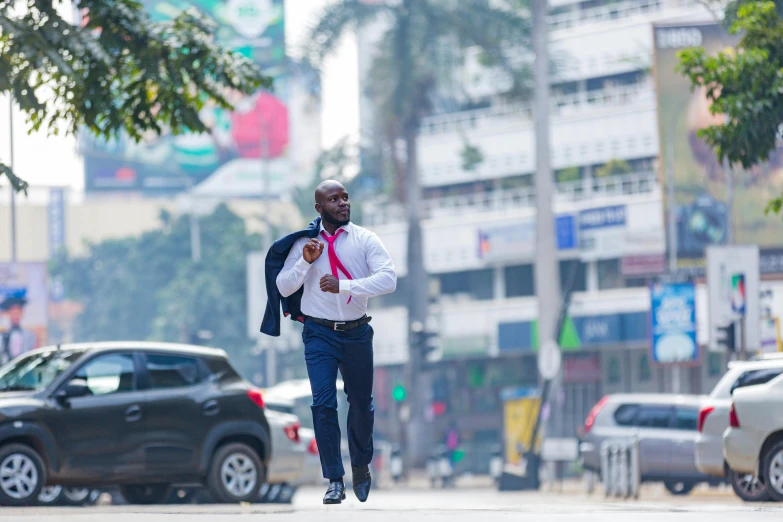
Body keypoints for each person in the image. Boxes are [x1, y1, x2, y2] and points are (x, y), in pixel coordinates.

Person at [261, 180, 396, 504]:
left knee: (361, 404)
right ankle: (334, 479)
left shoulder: (365, 239)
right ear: (320, 209)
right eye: (334, 199)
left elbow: (389, 279)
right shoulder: (306, 243)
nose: (343, 203)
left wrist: (345, 286)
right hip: (319, 334)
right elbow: (283, 286)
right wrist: (305, 261)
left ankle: (361, 466)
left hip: (357, 333)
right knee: (323, 405)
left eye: (345, 197)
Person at [0, 291, 38, 365]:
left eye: (17, 313)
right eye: (13, 313)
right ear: (9, 314)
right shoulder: (2, 335)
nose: (15, 316)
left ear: (21, 313)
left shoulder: (29, 335)